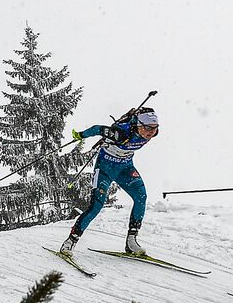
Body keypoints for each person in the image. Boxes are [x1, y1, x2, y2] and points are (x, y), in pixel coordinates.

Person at [58, 108, 160, 257]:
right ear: (138, 125)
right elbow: (97, 129)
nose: (151, 132)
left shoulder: (150, 132)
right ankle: (71, 241)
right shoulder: (120, 133)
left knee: (141, 197)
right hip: (105, 169)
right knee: (96, 206)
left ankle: (131, 241)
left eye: (155, 129)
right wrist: (80, 135)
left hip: (125, 168)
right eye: (147, 128)